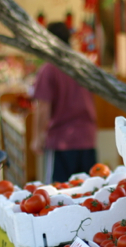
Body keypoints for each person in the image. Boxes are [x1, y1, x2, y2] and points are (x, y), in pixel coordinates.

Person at [30, 22, 98, 184]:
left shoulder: (49, 69)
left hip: (61, 141)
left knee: (59, 194)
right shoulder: (83, 63)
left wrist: (38, 137)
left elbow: (43, 108)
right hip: (87, 137)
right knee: (90, 192)